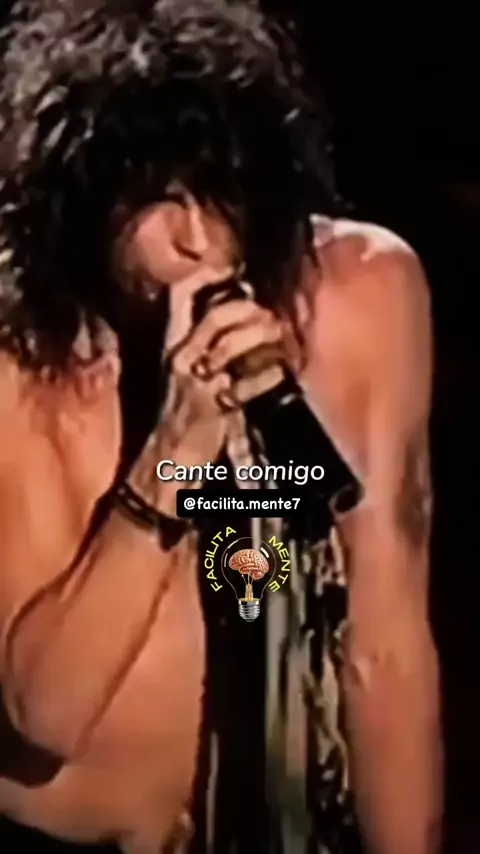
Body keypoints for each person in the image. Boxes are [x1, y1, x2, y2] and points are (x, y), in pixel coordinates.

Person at [0, 1, 442, 853]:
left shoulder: (362, 295)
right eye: (156, 201)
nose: (200, 240)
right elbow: (45, 715)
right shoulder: (22, 356)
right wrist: (173, 456)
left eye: (221, 191)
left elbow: (386, 653)